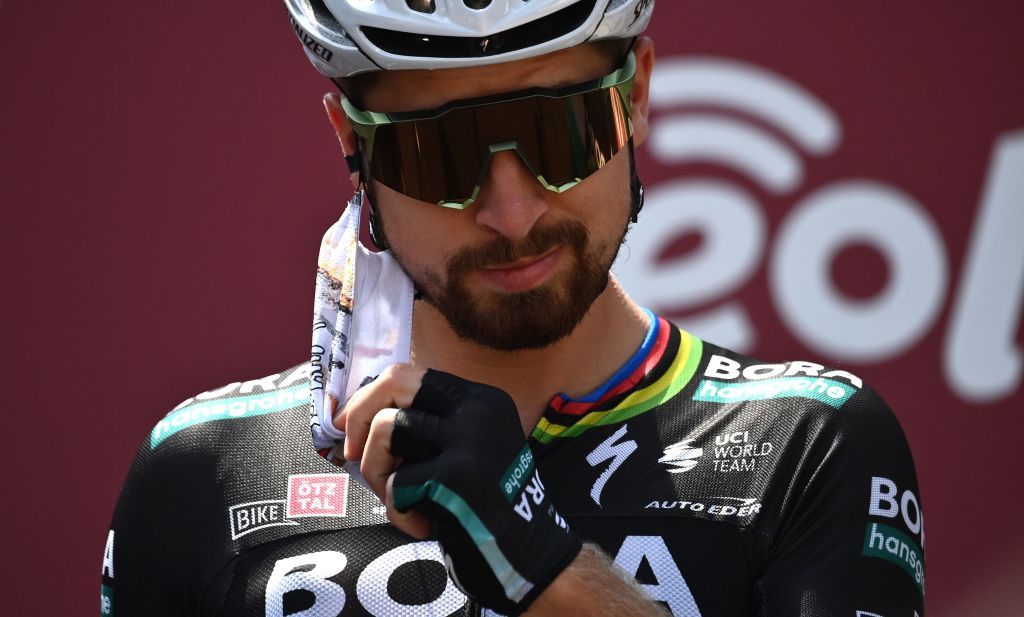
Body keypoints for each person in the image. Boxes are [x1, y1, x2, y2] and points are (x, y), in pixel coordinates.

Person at [101, 1, 926, 615]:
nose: (513, 212)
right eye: (440, 153)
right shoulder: (202, 471)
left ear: (635, 94)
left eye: (559, 133)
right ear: (353, 145)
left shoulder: (809, 445)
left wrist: (540, 560)